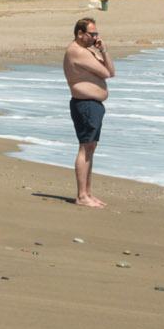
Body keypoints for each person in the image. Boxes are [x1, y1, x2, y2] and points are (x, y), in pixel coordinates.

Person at [63, 17, 116, 207]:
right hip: (84, 105)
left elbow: (111, 70)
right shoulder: (77, 51)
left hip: (92, 105)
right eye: (92, 34)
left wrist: (103, 50)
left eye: (96, 33)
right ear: (80, 34)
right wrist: (99, 52)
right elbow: (106, 73)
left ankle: (88, 192)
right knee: (85, 147)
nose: (95, 37)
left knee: (90, 147)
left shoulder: (88, 51)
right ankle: (81, 196)